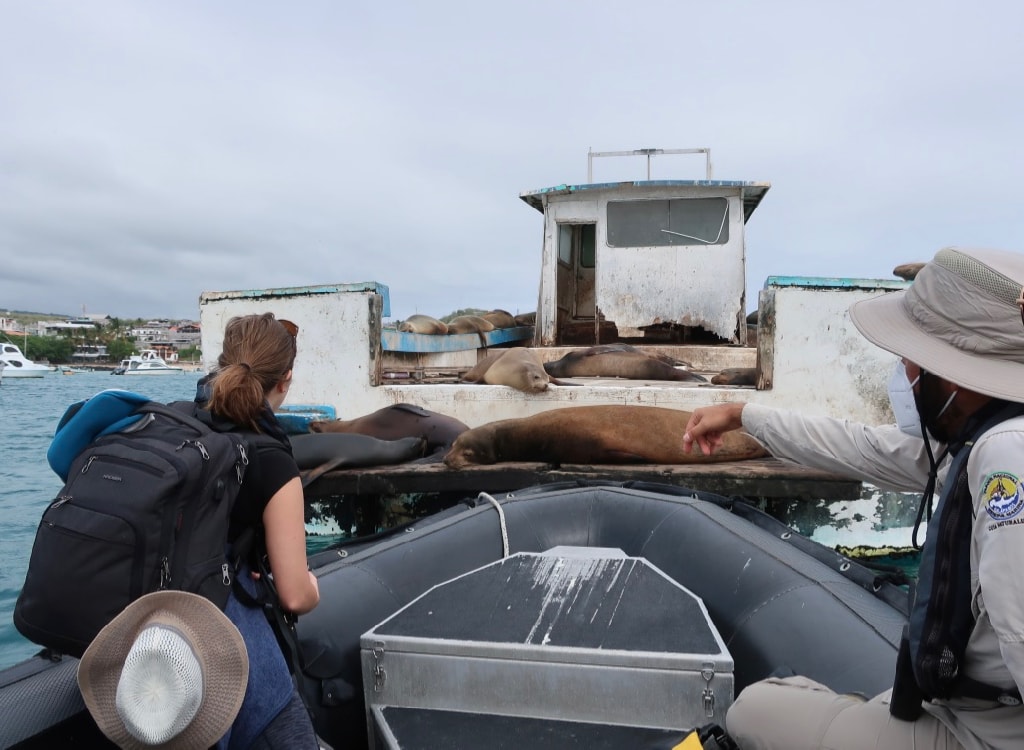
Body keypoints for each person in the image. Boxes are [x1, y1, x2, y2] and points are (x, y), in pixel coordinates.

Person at [682, 247, 1024, 750]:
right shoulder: (979, 440)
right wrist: (745, 415)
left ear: (950, 372)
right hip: (968, 709)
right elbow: (862, 447)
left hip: (982, 734)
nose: (905, 372)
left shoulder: (1004, 454)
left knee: (755, 708)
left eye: (911, 356)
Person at [202, 312, 321, 749]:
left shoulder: (184, 426)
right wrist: (312, 585)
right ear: (285, 381)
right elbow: (293, 595)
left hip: (155, 615)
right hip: (221, 623)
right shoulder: (273, 462)